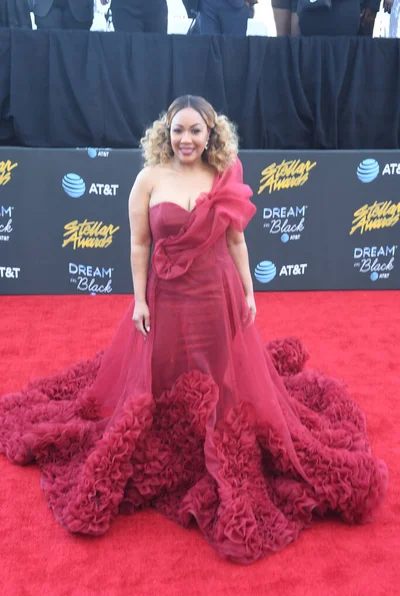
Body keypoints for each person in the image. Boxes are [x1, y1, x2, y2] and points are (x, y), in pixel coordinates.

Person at [0, 95, 388, 564]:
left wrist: (248, 291)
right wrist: (140, 299)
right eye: (177, 130)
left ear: (211, 133)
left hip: (216, 293)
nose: (185, 139)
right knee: (164, 373)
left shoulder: (224, 174)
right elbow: (140, 244)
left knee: (224, 379)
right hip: (167, 297)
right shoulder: (148, 179)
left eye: (195, 130)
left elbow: (237, 238)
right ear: (165, 132)